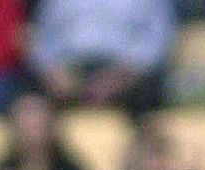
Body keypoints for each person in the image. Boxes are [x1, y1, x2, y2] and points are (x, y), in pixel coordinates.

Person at [27, 0, 175, 114]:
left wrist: (123, 75)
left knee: (150, 94)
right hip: (70, 70)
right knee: (30, 100)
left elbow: (158, 40)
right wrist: (52, 73)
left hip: (125, 71)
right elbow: (41, 39)